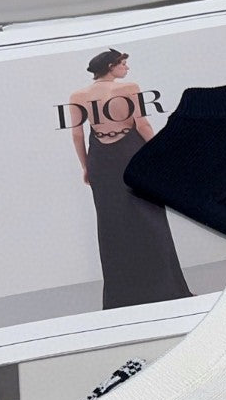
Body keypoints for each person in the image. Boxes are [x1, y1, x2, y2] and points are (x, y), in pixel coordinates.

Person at [70, 49, 191, 310]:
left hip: (100, 160)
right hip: (132, 153)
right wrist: (160, 152)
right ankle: (165, 289)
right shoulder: (128, 88)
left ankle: (122, 297)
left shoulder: (78, 96)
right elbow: (142, 125)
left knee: (112, 224)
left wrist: (86, 166)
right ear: (111, 66)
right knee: (150, 217)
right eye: (123, 64)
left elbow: (77, 135)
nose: (127, 68)